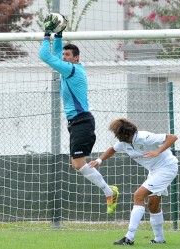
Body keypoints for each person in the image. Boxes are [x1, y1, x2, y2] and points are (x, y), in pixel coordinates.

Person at [39, 14, 118, 214]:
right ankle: (109, 192)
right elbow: (55, 55)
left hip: (81, 122)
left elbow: (45, 56)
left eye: (68, 56)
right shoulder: (71, 69)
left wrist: (47, 33)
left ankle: (110, 192)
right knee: (78, 164)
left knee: (78, 164)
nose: (64, 58)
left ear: (76, 58)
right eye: (64, 56)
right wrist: (59, 35)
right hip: (78, 123)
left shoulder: (72, 71)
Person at [89, 118, 178, 245]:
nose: (116, 137)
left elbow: (173, 137)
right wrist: (99, 161)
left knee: (138, 195)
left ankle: (129, 237)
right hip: (154, 171)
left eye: (117, 134)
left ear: (125, 134)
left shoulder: (145, 137)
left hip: (167, 168)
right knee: (153, 205)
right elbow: (112, 149)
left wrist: (157, 151)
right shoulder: (124, 143)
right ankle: (159, 239)